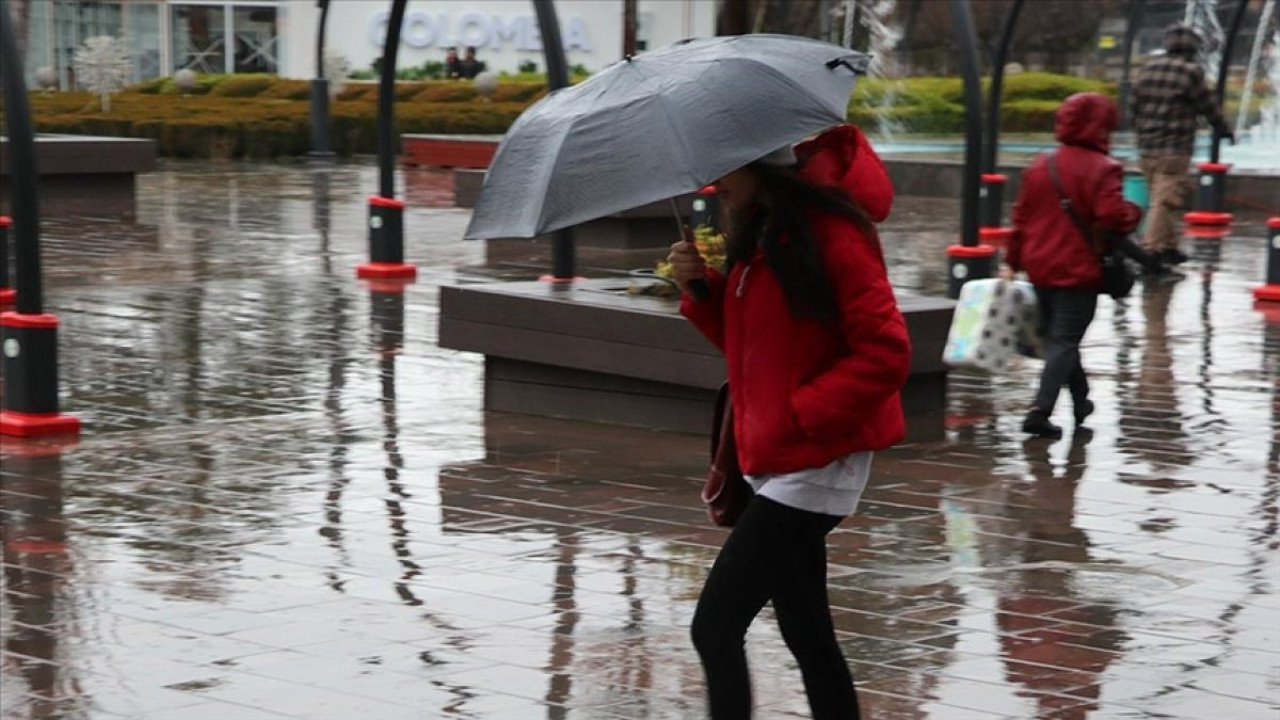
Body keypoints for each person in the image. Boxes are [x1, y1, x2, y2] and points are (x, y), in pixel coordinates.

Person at [667, 124, 911, 719]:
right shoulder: (764, 236)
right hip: (774, 459)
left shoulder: (833, 234)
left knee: (714, 627)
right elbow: (755, 350)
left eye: (725, 169)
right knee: (807, 633)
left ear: (762, 164)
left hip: (813, 462)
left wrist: (802, 416)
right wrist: (701, 289)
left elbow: (886, 351)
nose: (715, 184)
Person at [1001, 92, 1144, 439]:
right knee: (1064, 340)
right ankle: (1040, 410)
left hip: (1039, 265)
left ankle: (1081, 401)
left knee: (1060, 339)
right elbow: (1112, 216)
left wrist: (1012, 262)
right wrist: (1135, 212)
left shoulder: (1040, 164)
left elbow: (1020, 218)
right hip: (1078, 269)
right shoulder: (1104, 168)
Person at [1130, 23, 1234, 269]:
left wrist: (1142, 130)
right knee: (1164, 201)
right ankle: (1151, 252)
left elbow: (1132, 107)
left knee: (1160, 195)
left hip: (1147, 148)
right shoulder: (1190, 72)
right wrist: (1225, 130)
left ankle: (1168, 247)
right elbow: (1208, 107)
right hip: (1174, 148)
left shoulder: (1147, 69)